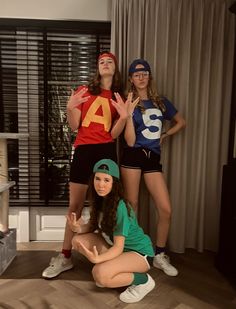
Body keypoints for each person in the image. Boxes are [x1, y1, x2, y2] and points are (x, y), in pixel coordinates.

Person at [42, 52, 129, 279]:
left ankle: (112, 252)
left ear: (115, 67)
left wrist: (124, 117)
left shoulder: (119, 96)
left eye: (110, 61)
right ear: (97, 68)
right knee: (75, 205)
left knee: (108, 202)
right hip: (83, 149)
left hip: (106, 149)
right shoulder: (84, 90)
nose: (106, 64)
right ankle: (65, 256)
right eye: (102, 61)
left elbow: (114, 134)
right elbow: (73, 126)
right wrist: (70, 108)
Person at [120, 59, 186, 277]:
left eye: (145, 73)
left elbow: (181, 122)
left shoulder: (161, 101)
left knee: (165, 208)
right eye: (137, 74)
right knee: (133, 205)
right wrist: (128, 116)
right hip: (132, 156)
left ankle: (159, 254)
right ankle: (134, 251)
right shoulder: (129, 101)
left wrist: (165, 136)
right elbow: (129, 141)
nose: (141, 77)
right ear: (131, 78)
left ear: (149, 76)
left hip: (152, 159)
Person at [67, 159, 155, 304]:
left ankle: (144, 281)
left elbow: (119, 247)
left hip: (139, 253)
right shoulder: (99, 200)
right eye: (97, 179)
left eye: (107, 180)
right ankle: (112, 270)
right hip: (119, 250)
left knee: (99, 274)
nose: (101, 185)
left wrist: (98, 260)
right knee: (77, 240)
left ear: (114, 183)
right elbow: (92, 225)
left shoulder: (120, 206)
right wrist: (77, 228)